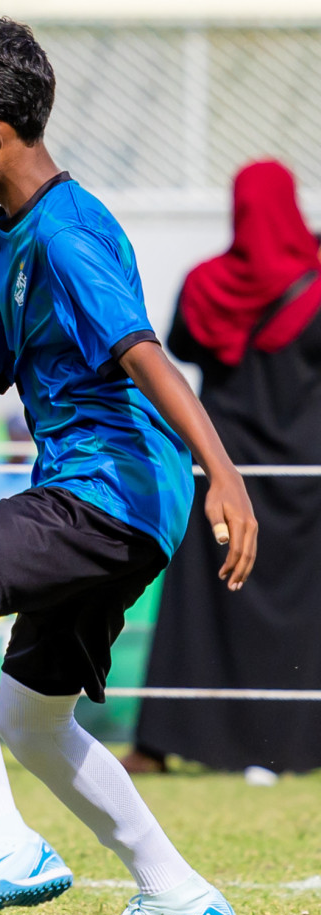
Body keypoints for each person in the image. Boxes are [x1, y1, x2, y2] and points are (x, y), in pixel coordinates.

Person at [0, 18, 253, 915]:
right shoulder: (7, 239)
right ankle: (178, 900)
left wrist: (221, 469)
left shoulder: (68, 236)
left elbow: (142, 352)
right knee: (31, 720)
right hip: (101, 498)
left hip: (109, 492)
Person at [129, 160, 321, 775]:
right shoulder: (317, 280)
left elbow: (181, 345)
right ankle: (296, 745)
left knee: (204, 603)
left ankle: (164, 744)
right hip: (308, 473)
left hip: (223, 464)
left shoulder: (206, 283)